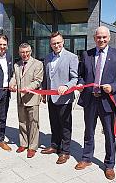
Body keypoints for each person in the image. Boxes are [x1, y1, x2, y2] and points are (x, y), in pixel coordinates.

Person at [75, 26, 116, 180]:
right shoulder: (87, 54)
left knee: (109, 134)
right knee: (88, 131)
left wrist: (113, 87)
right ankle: (86, 158)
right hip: (90, 100)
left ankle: (109, 165)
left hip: (107, 101)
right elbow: (81, 75)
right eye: (99, 37)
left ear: (109, 38)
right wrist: (80, 83)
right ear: (94, 38)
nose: (101, 40)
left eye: (104, 37)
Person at [41, 31, 78, 164]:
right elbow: (46, 77)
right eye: (53, 43)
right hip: (51, 97)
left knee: (65, 125)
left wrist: (67, 86)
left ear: (63, 42)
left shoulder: (72, 57)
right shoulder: (47, 58)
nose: (56, 45)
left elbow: (75, 78)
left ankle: (65, 151)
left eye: (58, 42)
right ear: (50, 45)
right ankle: (55, 146)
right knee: (54, 123)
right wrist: (44, 94)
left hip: (64, 98)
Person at [9, 43, 43, 158]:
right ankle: (24, 143)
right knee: (22, 122)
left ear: (31, 51)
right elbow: (14, 77)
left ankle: (32, 147)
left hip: (32, 98)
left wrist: (28, 88)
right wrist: (12, 84)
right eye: (22, 52)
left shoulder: (38, 64)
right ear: (19, 53)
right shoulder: (16, 65)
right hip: (20, 99)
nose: (25, 54)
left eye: (27, 52)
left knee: (33, 123)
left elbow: (38, 81)